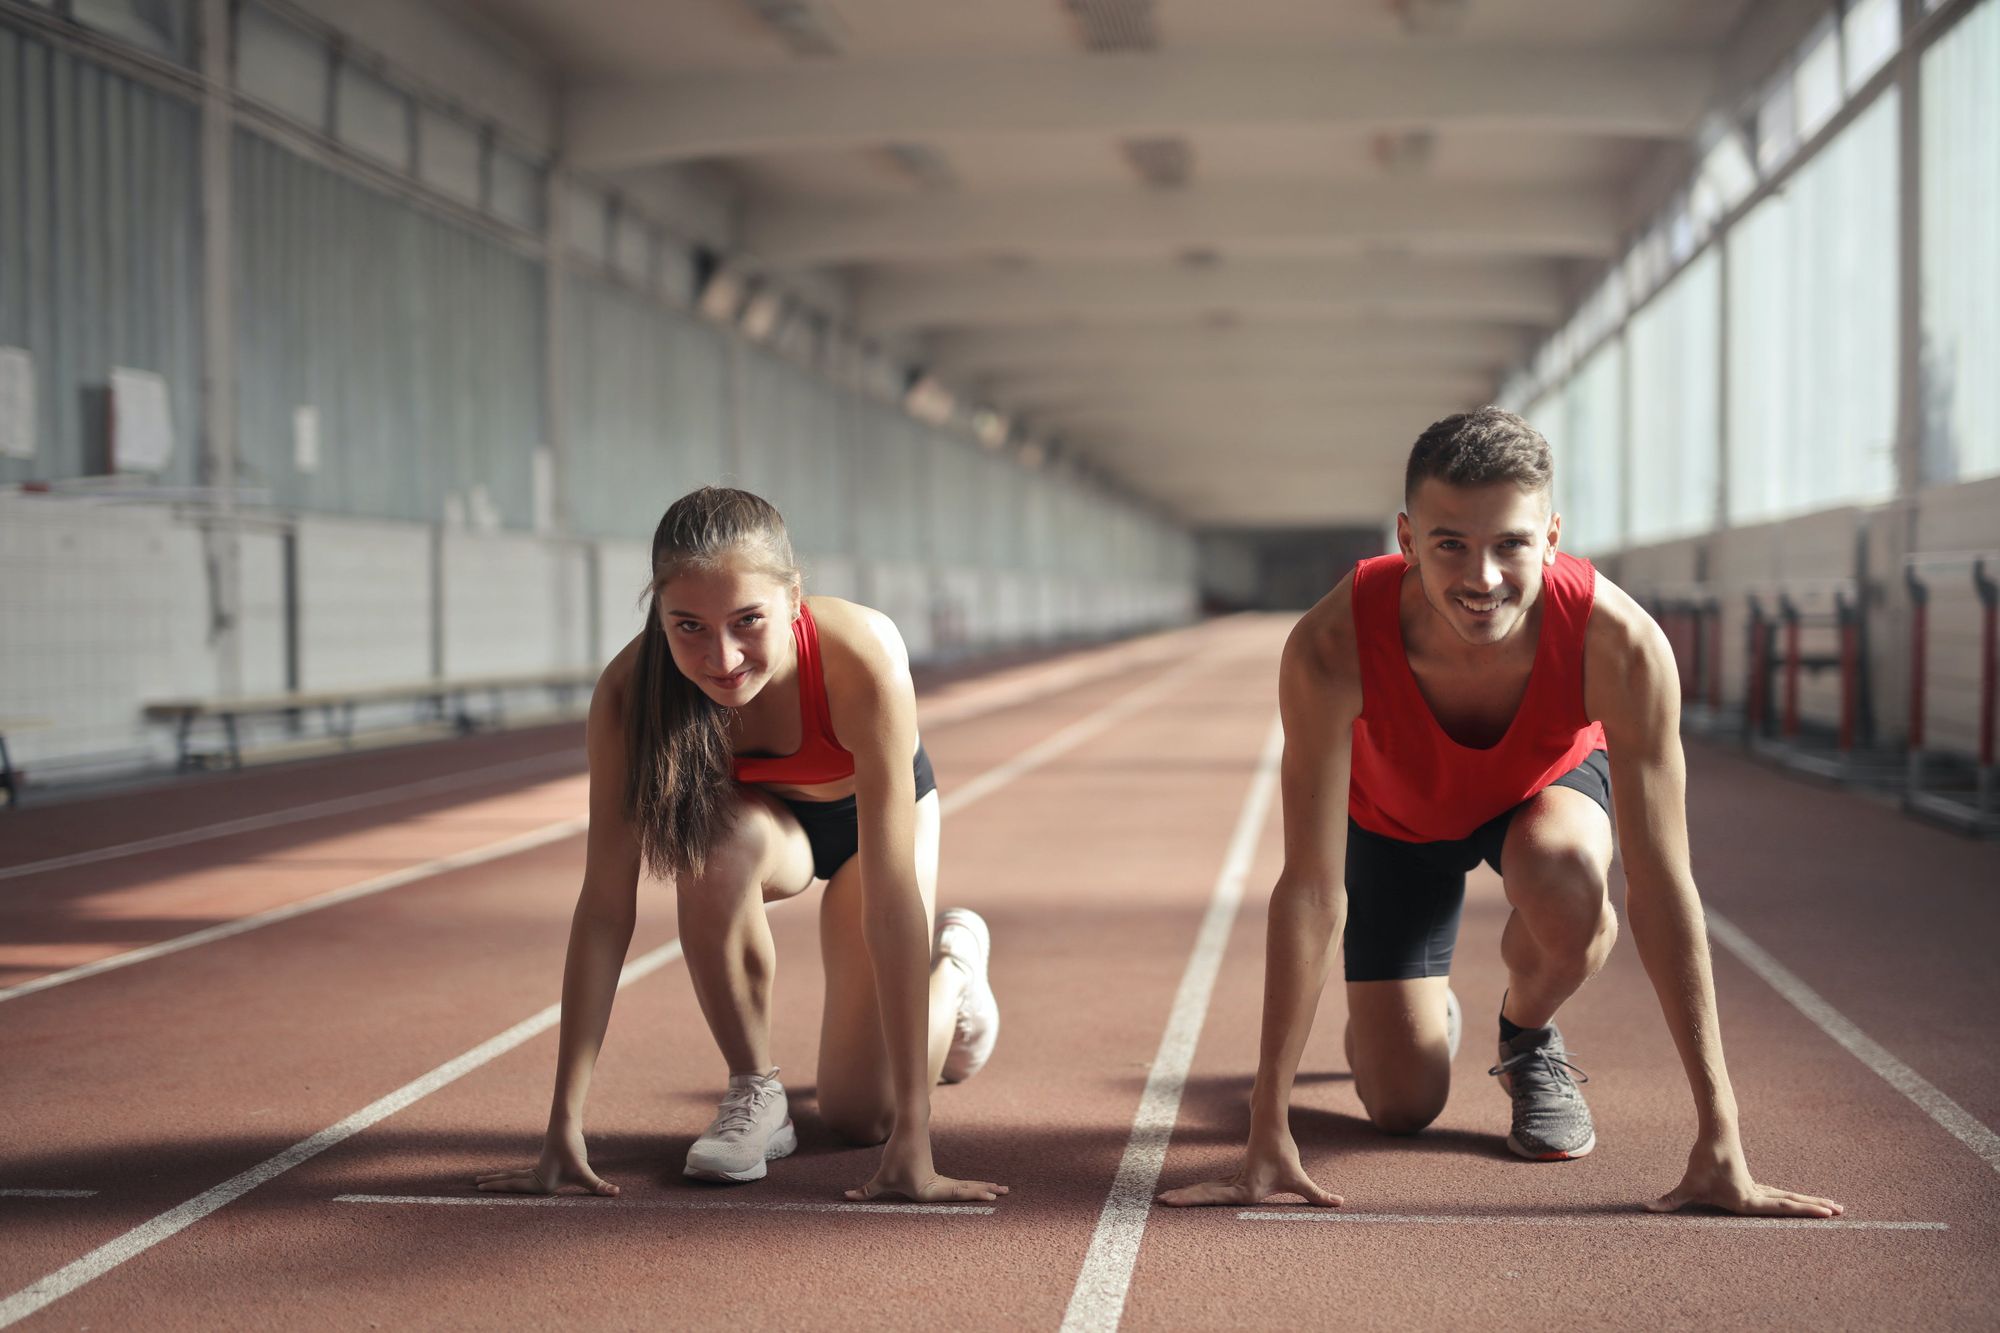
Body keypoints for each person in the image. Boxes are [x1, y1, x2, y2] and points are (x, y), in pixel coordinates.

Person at [1159, 408, 1841, 1218]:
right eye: (1451, 543)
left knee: (1571, 884)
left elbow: (1662, 889)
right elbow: (1309, 887)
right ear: (1407, 540)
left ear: (1551, 537)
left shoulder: (1620, 646)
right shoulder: (1330, 645)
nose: (1482, 577)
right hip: (1393, 822)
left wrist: (1721, 1133)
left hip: (1538, 796)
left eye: (1510, 544)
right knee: (1401, 1105)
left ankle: (1526, 1034)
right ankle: (1411, 1016)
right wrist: (1265, 1127)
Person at [476, 487, 1004, 1204]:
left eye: (747, 621)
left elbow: (889, 901)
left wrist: (917, 1138)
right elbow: (604, 907)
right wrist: (562, 1124)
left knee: (861, 1116)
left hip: (874, 823)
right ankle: (756, 1093)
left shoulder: (862, 655)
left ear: (793, 598)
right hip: (764, 828)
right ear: (657, 611)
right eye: (688, 625)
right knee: (710, 848)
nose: (721, 657)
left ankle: (957, 970)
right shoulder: (630, 694)